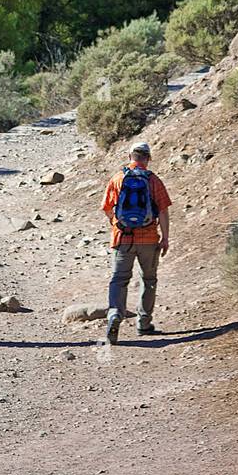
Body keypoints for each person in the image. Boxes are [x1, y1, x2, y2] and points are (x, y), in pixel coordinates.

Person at [100, 141, 172, 344]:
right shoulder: (153, 180)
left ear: (130, 155)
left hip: (122, 238)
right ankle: (144, 323)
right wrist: (165, 238)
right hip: (149, 239)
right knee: (149, 280)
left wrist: (116, 224)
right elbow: (164, 210)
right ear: (148, 158)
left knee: (119, 280)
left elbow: (106, 207)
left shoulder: (118, 178)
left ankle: (115, 314)